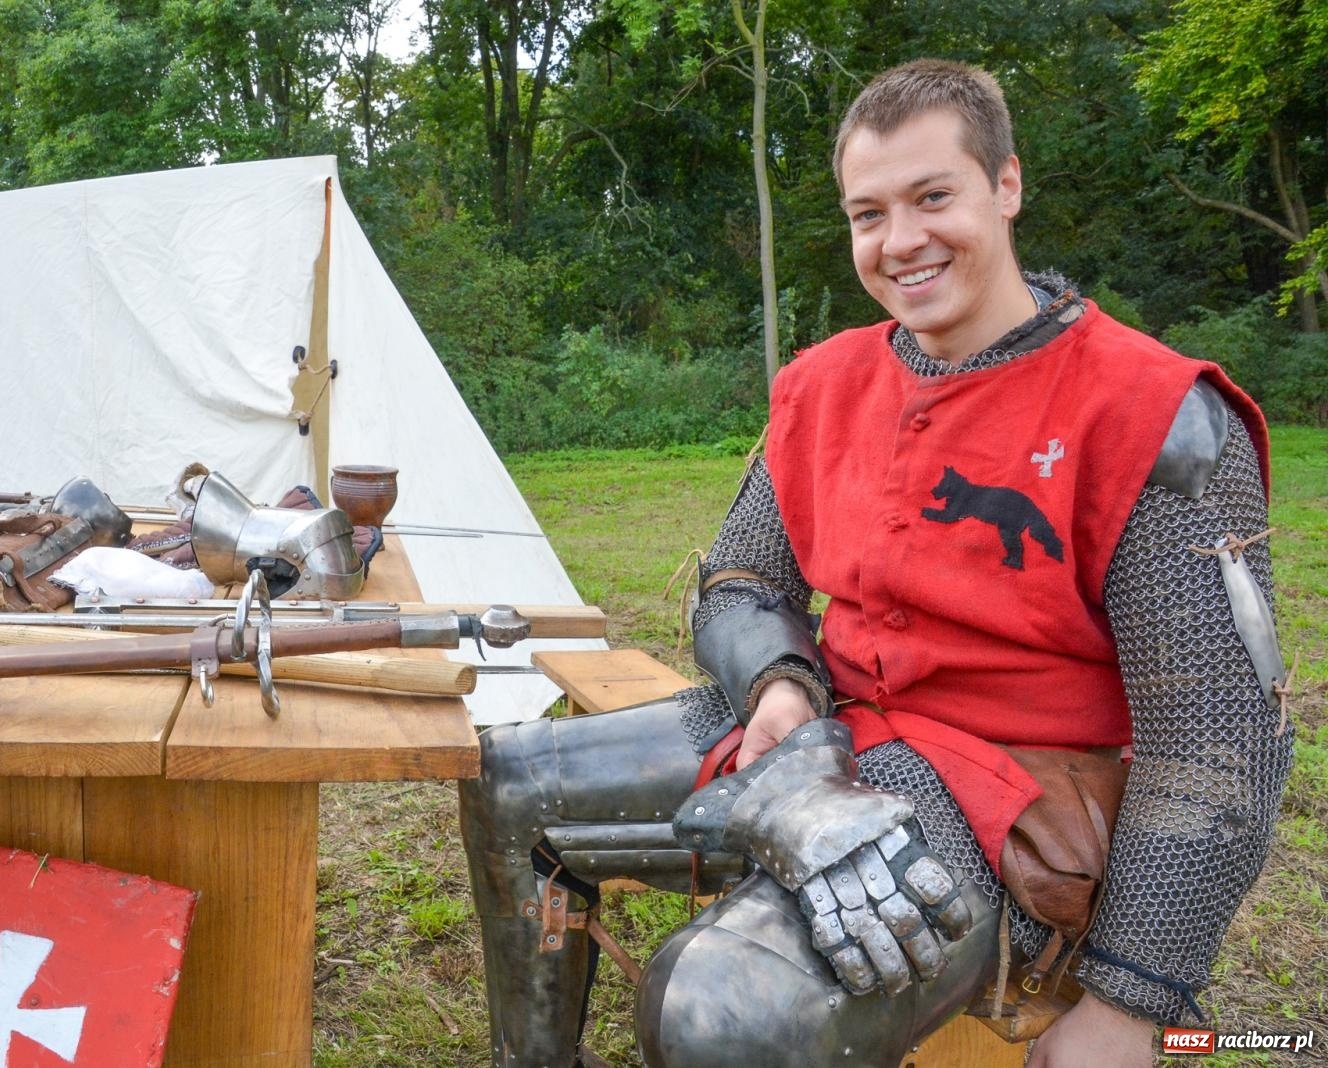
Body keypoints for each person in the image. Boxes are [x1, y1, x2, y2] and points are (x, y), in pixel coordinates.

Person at [460, 58, 1291, 1068]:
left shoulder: (1155, 414)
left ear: (1007, 186)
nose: (900, 241)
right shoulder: (822, 384)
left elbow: (1220, 752)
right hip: (830, 728)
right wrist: (777, 686)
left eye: (932, 196)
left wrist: (1127, 1004)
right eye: (868, 213)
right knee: (508, 779)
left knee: (721, 1007)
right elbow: (740, 582)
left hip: (1006, 795)